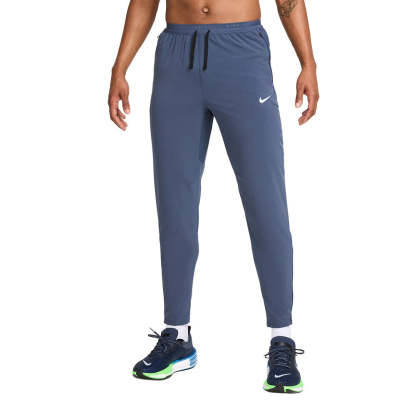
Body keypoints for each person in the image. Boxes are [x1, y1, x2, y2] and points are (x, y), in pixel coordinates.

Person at [108, 0, 319, 393]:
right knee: (174, 204)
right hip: (176, 57)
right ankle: (177, 334)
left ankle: (282, 339)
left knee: (266, 203)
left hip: (241, 52)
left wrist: (308, 62)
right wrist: (120, 67)